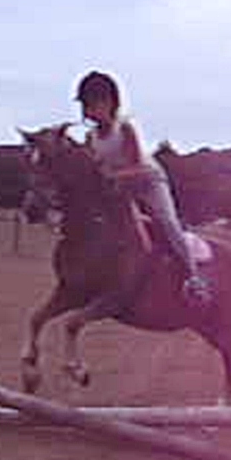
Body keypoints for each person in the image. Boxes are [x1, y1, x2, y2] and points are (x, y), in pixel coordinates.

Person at [73, 69, 211, 306]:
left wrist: (110, 176)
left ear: (109, 103)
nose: (87, 111)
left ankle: (194, 278)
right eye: (85, 105)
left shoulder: (124, 128)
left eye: (92, 104)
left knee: (168, 223)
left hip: (149, 182)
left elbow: (137, 166)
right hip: (120, 186)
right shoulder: (90, 137)